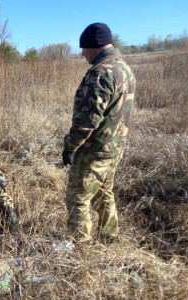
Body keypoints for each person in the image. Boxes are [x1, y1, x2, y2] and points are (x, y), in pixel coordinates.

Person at [62, 23, 136, 244]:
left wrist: (69, 146)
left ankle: (81, 251)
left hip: (94, 151)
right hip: (114, 148)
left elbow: (87, 121)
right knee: (104, 194)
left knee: (78, 199)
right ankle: (109, 239)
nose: (83, 54)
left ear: (94, 46)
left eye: (84, 48)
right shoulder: (124, 68)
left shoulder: (101, 72)